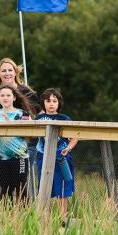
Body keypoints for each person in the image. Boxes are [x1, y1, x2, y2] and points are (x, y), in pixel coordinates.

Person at [34, 88, 78, 218]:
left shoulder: (64, 118)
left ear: (59, 103)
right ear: (43, 103)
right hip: (43, 155)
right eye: (48, 101)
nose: (51, 103)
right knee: (44, 186)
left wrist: (68, 148)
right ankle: (44, 216)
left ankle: (63, 216)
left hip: (61, 156)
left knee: (62, 187)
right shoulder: (39, 118)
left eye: (54, 101)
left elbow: (75, 135)